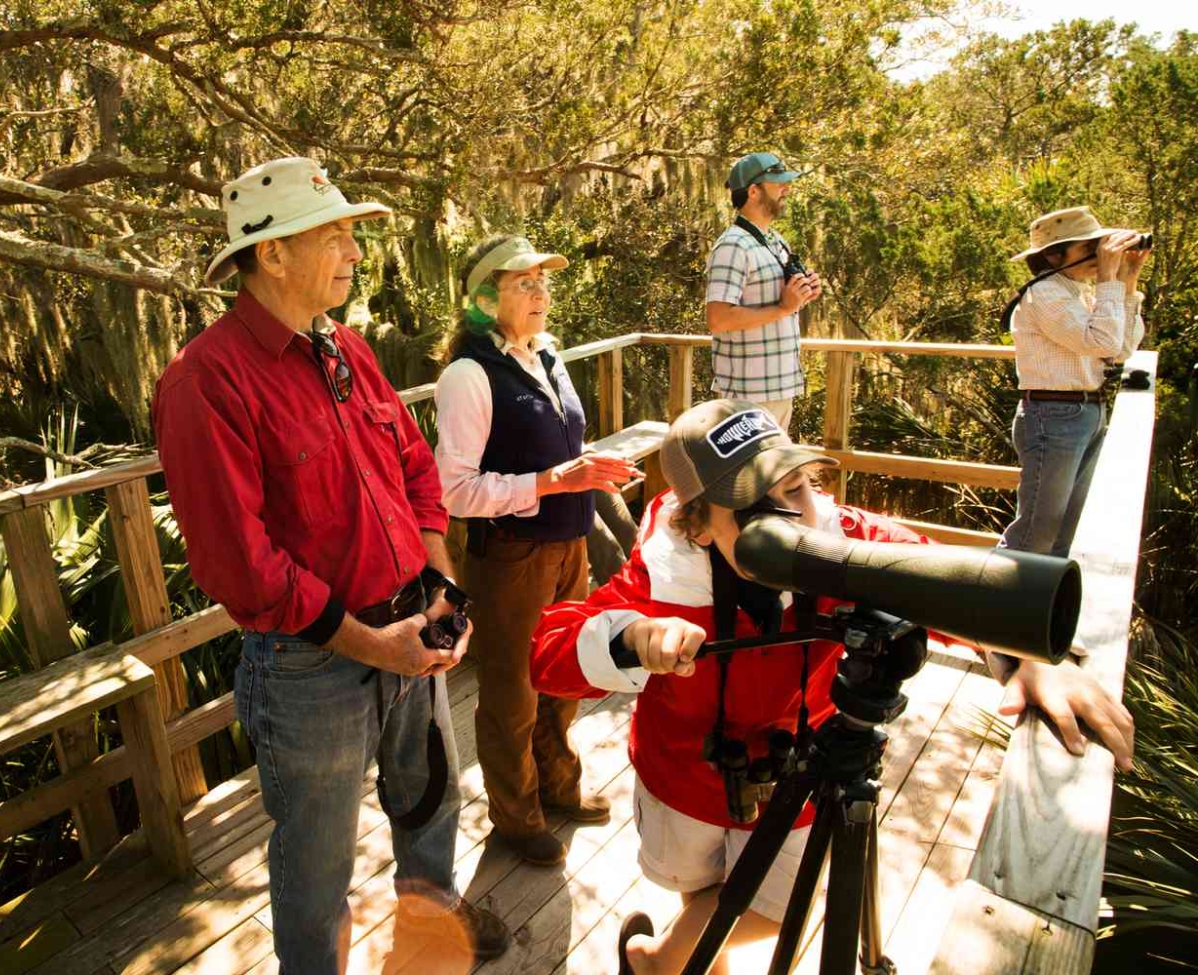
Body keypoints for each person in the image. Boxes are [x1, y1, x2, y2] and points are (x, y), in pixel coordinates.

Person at [529, 400, 1135, 975]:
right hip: (683, 775)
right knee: (697, 889)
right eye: (757, 509)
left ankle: (657, 961)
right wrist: (632, 635)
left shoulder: (843, 539)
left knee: (773, 907)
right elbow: (547, 655)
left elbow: (942, 578)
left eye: (795, 488)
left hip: (803, 767)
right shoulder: (663, 572)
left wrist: (1026, 654)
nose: (793, 518)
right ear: (699, 525)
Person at [153, 157, 510, 974]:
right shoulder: (205, 381)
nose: (356, 252)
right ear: (271, 254)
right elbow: (242, 565)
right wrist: (368, 642)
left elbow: (414, 468)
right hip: (309, 666)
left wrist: (437, 579)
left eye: (355, 234)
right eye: (337, 234)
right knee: (318, 861)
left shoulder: (345, 347)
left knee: (429, 801)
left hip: (410, 628)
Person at [434, 234, 640, 866]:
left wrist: (592, 467)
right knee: (510, 694)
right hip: (512, 557)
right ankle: (516, 817)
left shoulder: (548, 353)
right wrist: (554, 481)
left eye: (543, 282)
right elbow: (456, 490)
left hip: (566, 545)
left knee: (562, 675)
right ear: (484, 299)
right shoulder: (467, 375)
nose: (541, 293)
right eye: (524, 283)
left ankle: (557, 787)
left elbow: (559, 448)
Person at [1000, 206, 1149, 557]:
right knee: (1035, 533)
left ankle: (1039, 609)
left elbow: (1121, 349)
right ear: (1055, 255)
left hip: (1084, 413)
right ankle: (992, 603)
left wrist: (1127, 283)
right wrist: (1110, 281)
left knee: (1066, 531)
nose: (1099, 256)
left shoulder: (1074, 291)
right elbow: (1103, 343)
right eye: (1089, 248)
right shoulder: (1045, 293)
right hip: (1053, 416)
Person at [705, 152, 822, 431]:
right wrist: (783, 308)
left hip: (778, 388)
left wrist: (802, 294)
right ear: (754, 191)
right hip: (747, 397)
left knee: (773, 475)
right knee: (749, 475)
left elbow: (779, 304)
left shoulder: (774, 240)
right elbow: (718, 319)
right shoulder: (733, 246)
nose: (787, 188)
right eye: (778, 182)